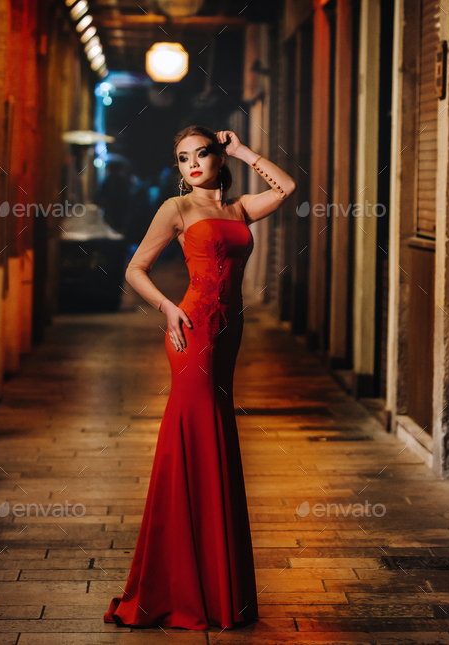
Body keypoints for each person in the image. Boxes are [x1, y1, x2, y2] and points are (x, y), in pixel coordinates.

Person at [103, 125, 296, 631]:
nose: (192, 164)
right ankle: (180, 585)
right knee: (194, 434)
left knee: (218, 434)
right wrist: (168, 309)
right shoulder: (177, 209)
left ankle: (215, 582)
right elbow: (136, 268)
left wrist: (245, 150)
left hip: (229, 332)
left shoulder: (237, 210)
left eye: (202, 154)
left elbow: (287, 190)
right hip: (192, 330)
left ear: (217, 158)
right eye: (183, 158)